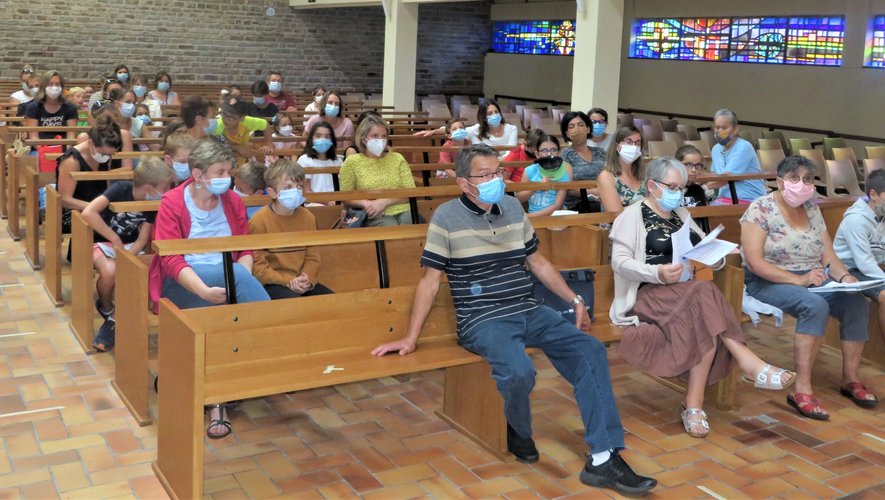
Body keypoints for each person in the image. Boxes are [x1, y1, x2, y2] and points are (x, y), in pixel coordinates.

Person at [371, 144, 657, 496]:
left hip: (528, 309)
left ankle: (603, 458)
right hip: (482, 318)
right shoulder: (445, 218)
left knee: (590, 350)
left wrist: (575, 299)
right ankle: (518, 428)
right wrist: (410, 338)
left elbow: (537, 262)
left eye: (499, 173)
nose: (496, 180)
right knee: (520, 371)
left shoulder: (511, 207)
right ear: (463, 183)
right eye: (486, 175)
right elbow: (430, 282)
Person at [611, 157, 795, 438]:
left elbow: (702, 248)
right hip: (647, 295)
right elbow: (620, 263)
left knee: (703, 314)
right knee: (704, 293)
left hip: (684, 295)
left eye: (682, 187)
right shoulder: (632, 216)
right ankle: (747, 361)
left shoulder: (681, 215)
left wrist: (719, 257)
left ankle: (693, 405)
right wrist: (657, 272)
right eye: (672, 186)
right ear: (652, 186)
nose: (678, 193)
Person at [150, 139, 271, 439]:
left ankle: (219, 394)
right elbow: (170, 261)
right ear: (197, 174)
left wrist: (238, 278)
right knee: (226, 304)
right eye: (219, 172)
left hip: (228, 279)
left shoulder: (232, 201)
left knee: (227, 296)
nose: (226, 179)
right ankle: (272, 342)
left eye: (228, 171)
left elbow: (245, 248)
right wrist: (205, 290)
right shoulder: (173, 203)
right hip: (185, 282)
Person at [741, 155, 872, 420]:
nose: (801, 184)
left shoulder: (812, 209)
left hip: (813, 277)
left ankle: (850, 379)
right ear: (779, 182)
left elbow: (829, 256)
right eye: (794, 178)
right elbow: (754, 262)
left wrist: (845, 278)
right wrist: (798, 280)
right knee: (814, 305)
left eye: (808, 179)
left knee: (856, 302)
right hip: (769, 279)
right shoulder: (760, 208)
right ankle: (802, 389)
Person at [81, 157, 174, 352]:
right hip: (102, 242)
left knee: (136, 271)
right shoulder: (121, 189)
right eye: (165, 187)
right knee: (109, 271)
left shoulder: (153, 203)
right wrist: (114, 239)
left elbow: (142, 239)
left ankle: (116, 318)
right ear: (149, 188)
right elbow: (88, 213)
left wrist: (126, 257)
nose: (167, 192)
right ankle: (106, 307)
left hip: (132, 246)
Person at [831, 169, 885, 409]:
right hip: (849, 270)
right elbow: (864, 263)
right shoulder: (856, 219)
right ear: (874, 194)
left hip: (874, 267)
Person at [249, 159, 333, 299]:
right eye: (288, 187)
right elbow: (259, 268)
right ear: (272, 192)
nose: (295, 191)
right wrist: (288, 281)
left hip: (301, 280)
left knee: (332, 301)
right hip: (273, 283)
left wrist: (307, 278)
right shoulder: (258, 221)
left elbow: (313, 257)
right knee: (296, 304)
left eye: (299, 186)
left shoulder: (308, 218)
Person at [339, 116, 415, 226]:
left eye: (384, 136)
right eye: (375, 136)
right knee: (389, 226)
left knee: (409, 224)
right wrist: (369, 204)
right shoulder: (352, 162)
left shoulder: (397, 158)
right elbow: (346, 197)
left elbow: (410, 191)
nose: (380, 140)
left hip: (404, 209)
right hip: (371, 212)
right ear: (363, 138)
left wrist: (383, 202)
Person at [57, 114, 121, 235]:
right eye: (103, 153)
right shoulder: (71, 161)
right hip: (74, 211)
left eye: (110, 154)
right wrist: (97, 207)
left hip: (97, 205)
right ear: (90, 143)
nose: (107, 158)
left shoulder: (104, 154)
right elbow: (65, 200)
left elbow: (105, 185)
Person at [413, 100, 518, 160]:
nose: (494, 115)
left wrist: (494, 162)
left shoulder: (511, 129)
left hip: (505, 167)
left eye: (496, 112)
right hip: (483, 168)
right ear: (484, 117)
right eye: (490, 113)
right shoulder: (476, 130)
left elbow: (510, 153)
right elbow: (456, 130)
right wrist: (433, 131)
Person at [705, 109, 765, 205]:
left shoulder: (744, 147)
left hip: (749, 199)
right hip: (725, 198)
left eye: (724, 128)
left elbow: (726, 178)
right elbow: (714, 175)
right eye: (717, 128)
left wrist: (704, 188)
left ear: (736, 129)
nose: (719, 131)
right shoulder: (716, 149)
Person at [516, 134, 572, 217]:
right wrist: (536, 187)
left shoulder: (563, 173)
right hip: (532, 215)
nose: (549, 154)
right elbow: (520, 198)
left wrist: (531, 216)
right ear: (537, 154)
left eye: (553, 150)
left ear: (559, 153)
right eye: (544, 151)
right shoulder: (530, 170)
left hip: (554, 216)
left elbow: (557, 206)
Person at [560, 111, 607, 210]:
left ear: (588, 129)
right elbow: (567, 188)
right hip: (578, 205)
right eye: (571, 126)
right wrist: (596, 192)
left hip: (605, 200)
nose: (576, 129)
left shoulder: (600, 152)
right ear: (566, 133)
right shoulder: (566, 154)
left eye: (580, 125)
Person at [211, 96, 273, 164]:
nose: (226, 119)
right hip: (223, 163)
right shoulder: (216, 127)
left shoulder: (247, 122)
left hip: (242, 161)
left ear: (242, 118)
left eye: (232, 117)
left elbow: (265, 124)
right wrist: (237, 148)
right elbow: (217, 146)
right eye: (224, 114)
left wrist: (269, 144)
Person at [597, 125, 645, 213]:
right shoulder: (606, 176)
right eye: (628, 142)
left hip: (645, 225)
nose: (634, 146)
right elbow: (616, 214)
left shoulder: (644, 175)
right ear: (617, 145)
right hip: (618, 225)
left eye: (637, 143)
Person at [23, 70, 79, 139]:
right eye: (50, 84)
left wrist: (67, 150)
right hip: (40, 148)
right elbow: (33, 137)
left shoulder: (70, 107)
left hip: (64, 147)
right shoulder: (33, 107)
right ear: (43, 86)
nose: (54, 87)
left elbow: (71, 136)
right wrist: (43, 149)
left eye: (57, 84)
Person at [298, 121, 340, 195]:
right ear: (311, 139)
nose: (323, 140)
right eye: (318, 136)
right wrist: (326, 202)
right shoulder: (304, 160)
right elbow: (306, 191)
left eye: (327, 137)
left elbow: (342, 187)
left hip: (336, 201)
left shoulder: (338, 161)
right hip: (313, 203)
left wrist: (336, 200)